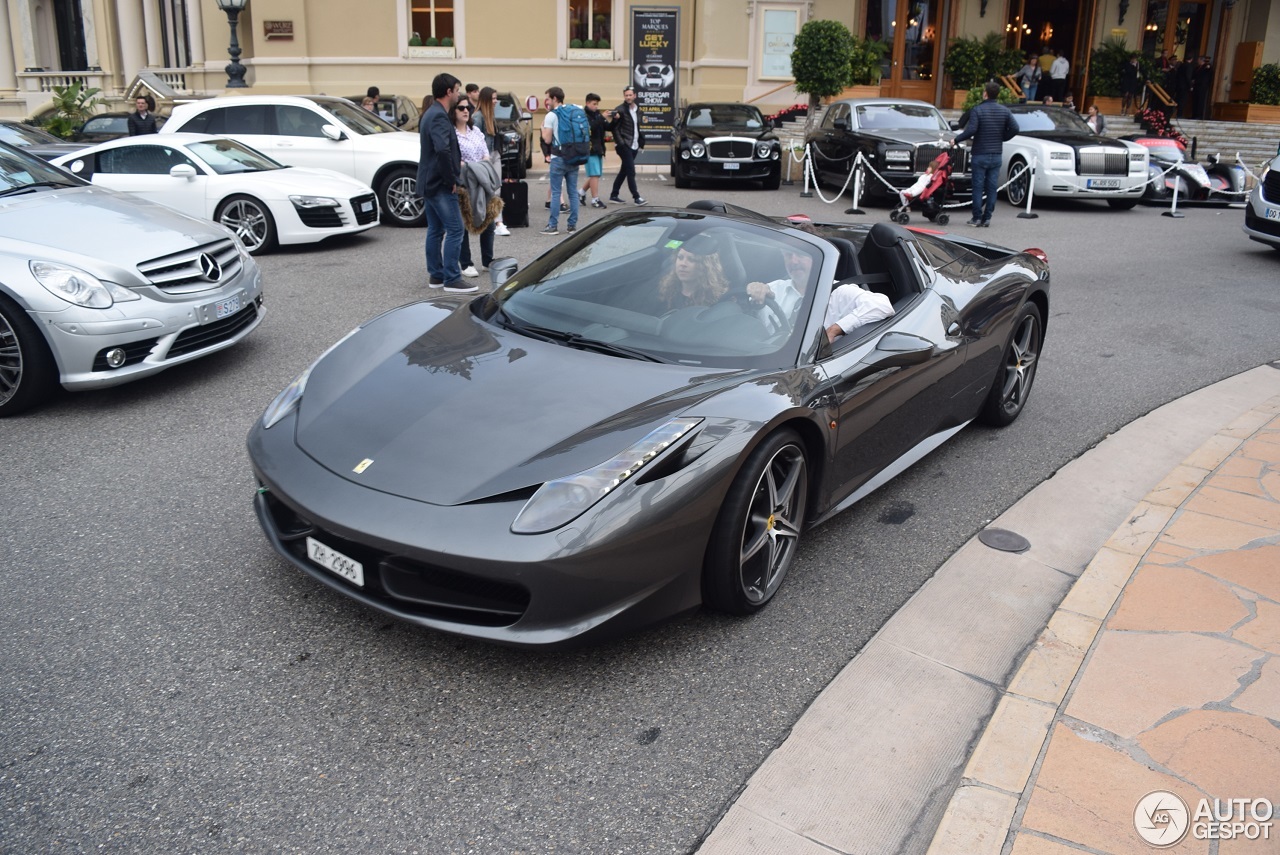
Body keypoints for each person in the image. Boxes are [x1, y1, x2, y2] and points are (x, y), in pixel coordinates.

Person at [745, 237, 893, 342]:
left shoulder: (839, 292)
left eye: (801, 255)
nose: (793, 261)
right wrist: (754, 298)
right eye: (788, 255)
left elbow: (882, 305)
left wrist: (835, 329)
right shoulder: (774, 289)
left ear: (818, 259)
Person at [417, 73, 473, 293]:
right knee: (456, 229)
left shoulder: (430, 113)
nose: (459, 94)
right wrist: (451, 179)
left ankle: (436, 276)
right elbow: (442, 149)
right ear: (449, 91)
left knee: (436, 229)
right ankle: (451, 278)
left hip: (429, 181)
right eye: (457, 90)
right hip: (440, 183)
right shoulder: (439, 116)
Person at [952, 81, 1017, 228]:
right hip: (996, 153)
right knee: (992, 187)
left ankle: (976, 217)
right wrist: (1003, 137)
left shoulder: (978, 110)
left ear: (985, 93)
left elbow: (972, 129)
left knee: (978, 186)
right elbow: (1015, 128)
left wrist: (956, 139)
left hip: (980, 152)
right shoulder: (1004, 111)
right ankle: (987, 217)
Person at [452, 94, 499, 278]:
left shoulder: (476, 131)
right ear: (453, 111)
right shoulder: (452, 134)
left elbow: (486, 156)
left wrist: (475, 166)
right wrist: (474, 165)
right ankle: (466, 263)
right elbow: (458, 162)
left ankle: (488, 261)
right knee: (463, 223)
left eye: (468, 108)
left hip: (482, 182)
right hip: (464, 183)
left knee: (488, 221)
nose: (466, 111)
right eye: (461, 108)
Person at [540, 86, 580, 236]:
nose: (547, 102)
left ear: (555, 98)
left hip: (558, 158)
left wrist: (543, 128)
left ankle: (553, 225)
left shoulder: (552, 115)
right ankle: (572, 226)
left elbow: (547, 139)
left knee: (556, 192)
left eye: (548, 99)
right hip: (574, 157)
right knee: (573, 192)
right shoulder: (573, 111)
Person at [652, 234, 729, 311]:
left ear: (705, 266)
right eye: (680, 257)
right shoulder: (666, 289)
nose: (683, 264)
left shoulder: (716, 300)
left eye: (691, 260)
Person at [475, 87, 511, 237]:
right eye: (493, 99)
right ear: (486, 100)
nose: (496, 101)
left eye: (496, 98)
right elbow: (476, 141)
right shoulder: (478, 117)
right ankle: (495, 223)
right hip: (486, 158)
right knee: (489, 190)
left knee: (496, 189)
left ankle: (498, 222)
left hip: (494, 155)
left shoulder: (490, 116)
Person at [607, 87, 646, 205]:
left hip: (634, 144)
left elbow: (637, 128)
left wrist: (641, 142)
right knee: (630, 170)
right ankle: (636, 197)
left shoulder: (638, 110)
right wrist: (621, 143)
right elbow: (614, 128)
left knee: (624, 170)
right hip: (624, 145)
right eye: (626, 95)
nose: (628, 97)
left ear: (635, 96)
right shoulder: (620, 110)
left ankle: (614, 195)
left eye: (630, 95)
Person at [580, 93, 609, 209]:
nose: (596, 106)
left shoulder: (597, 114)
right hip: (589, 148)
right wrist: (601, 118)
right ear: (587, 103)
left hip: (599, 148)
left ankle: (581, 192)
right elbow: (590, 127)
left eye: (597, 104)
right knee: (594, 174)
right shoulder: (583, 115)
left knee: (595, 174)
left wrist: (615, 120)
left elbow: (607, 127)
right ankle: (595, 199)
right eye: (594, 104)